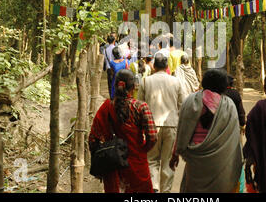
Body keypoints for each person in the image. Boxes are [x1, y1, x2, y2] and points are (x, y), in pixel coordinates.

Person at [170, 68, 243, 193]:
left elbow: (182, 130)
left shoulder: (190, 101)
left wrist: (175, 154)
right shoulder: (229, 105)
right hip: (220, 161)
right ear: (223, 85)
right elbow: (234, 137)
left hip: (195, 161)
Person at [88, 69, 158, 193]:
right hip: (137, 163)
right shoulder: (141, 107)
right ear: (134, 87)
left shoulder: (106, 107)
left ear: (115, 86)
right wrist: (141, 150)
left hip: (113, 166)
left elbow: (93, 139)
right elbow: (152, 137)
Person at [137, 53, 184, 193]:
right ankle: (166, 192)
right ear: (167, 66)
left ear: (154, 66)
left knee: (151, 160)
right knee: (168, 162)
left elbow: (140, 106)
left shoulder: (145, 81)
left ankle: (154, 187)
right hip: (171, 125)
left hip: (151, 127)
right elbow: (182, 105)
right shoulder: (176, 82)